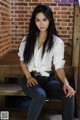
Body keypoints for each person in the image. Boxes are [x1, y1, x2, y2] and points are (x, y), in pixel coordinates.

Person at [18, 4, 75, 120]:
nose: (41, 23)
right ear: (34, 21)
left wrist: (66, 83)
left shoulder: (57, 42)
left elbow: (59, 67)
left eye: (44, 19)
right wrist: (28, 77)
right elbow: (22, 61)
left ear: (50, 20)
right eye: (38, 20)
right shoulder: (27, 39)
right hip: (30, 78)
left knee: (69, 95)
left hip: (48, 79)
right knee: (40, 95)